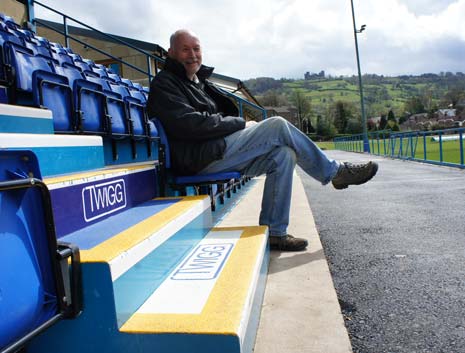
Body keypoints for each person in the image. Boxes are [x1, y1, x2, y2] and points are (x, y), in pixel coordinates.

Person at [147, 29, 378, 251]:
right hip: (199, 159)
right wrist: (240, 124)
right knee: (276, 125)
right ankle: (335, 172)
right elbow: (191, 125)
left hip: (217, 150)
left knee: (284, 155)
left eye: (196, 49)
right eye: (185, 49)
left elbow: (214, 117)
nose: (193, 55)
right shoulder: (164, 84)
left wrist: (233, 124)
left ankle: (275, 233)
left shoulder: (198, 82)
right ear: (171, 53)